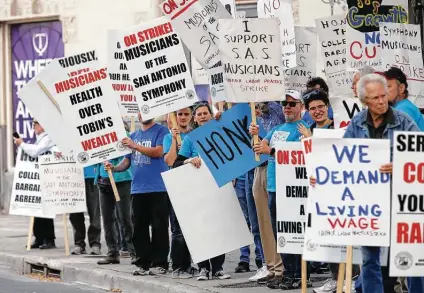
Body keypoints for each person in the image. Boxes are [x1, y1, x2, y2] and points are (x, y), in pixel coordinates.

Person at [311, 74, 422, 293]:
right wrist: (323, 176)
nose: (381, 101)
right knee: (370, 260)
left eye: (383, 96)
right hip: (369, 204)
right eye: (375, 98)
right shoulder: (357, 122)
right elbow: (344, 157)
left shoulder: (404, 121)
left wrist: (400, 164)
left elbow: (420, 155)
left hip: (401, 201)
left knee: (412, 259)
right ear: (364, 101)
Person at [250, 90, 311, 290]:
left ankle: (301, 274)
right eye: (285, 103)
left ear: (301, 107)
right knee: (281, 233)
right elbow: (262, 144)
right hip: (274, 186)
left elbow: (301, 152)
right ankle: (288, 273)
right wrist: (256, 136)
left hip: (294, 188)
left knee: (297, 233)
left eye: (292, 104)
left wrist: (272, 150)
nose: (287, 107)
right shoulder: (277, 128)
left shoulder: (304, 128)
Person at [106, 112, 169, 276]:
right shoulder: (134, 135)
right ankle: (143, 263)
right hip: (138, 189)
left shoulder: (162, 131)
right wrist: (114, 168)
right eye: (141, 111)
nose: (144, 114)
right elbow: (127, 161)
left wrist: (135, 146)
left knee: (159, 227)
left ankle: (160, 263)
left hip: (158, 187)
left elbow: (158, 152)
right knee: (139, 228)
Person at [173, 101, 230, 281]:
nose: (203, 116)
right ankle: (203, 268)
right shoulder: (190, 139)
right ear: (195, 119)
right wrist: (188, 161)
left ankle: (218, 268)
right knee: (201, 229)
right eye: (199, 114)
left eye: (206, 113)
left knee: (217, 229)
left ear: (211, 116)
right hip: (198, 191)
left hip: (218, 188)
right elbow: (176, 163)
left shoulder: (219, 133)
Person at [163, 107, 197, 279]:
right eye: (180, 114)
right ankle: (177, 267)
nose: (183, 117)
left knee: (190, 228)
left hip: (193, 186)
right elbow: (170, 161)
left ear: (191, 116)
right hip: (176, 186)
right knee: (177, 229)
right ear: (174, 117)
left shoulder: (194, 135)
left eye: (186, 114)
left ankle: (187, 264)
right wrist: (175, 141)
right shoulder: (168, 137)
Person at [14, 119, 58, 249]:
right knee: (36, 208)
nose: (34, 126)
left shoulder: (49, 137)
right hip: (38, 177)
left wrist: (22, 144)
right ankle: (39, 237)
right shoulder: (39, 138)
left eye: (36, 124)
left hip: (47, 176)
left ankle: (49, 239)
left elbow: (35, 151)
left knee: (46, 209)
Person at [96, 154, 135, 265]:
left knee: (124, 217)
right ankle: (112, 253)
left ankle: (133, 252)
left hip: (121, 180)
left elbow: (125, 153)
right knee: (107, 219)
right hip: (103, 181)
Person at [69, 165, 102, 255]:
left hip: (92, 175)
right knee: (75, 213)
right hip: (73, 176)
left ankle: (95, 243)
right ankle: (79, 244)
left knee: (94, 211)